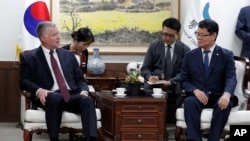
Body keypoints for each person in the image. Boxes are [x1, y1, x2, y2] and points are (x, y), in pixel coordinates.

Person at [19, 21, 97, 141]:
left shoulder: (68, 55)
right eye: (54, 34)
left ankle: (91, 139)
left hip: (71, 95)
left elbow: (80, 79)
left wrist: (83, 91)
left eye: (58, 33)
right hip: (49, 97)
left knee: (87, 100)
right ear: (43, 38)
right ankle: (54, 138)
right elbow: (23, 81)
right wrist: (38, 90)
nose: (59, 37)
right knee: (56, 97)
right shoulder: (30, 57)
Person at [180, 19, 237, 141]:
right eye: (197, 34)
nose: (199, 37)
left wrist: (227, 95)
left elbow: (231, 77)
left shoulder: (226, 55)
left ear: (213, 36)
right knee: (189, 102)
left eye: (203, 35)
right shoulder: (190, 56)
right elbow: (184, 79)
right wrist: (195, 90)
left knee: (223, 105)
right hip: (198, 96)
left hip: (218, 95)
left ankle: (213, 139)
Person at [141, 17, 190, 107]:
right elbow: (145, 68)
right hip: (156, 82)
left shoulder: (184, 49)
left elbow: (185, 72)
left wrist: (170, 82)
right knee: (146, 88)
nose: (167, 38)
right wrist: (150, 77)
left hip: (174, 83)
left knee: (181, 88)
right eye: (164, 34)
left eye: (171, 35)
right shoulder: (154, 46)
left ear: (177, 35)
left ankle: (174, 119)